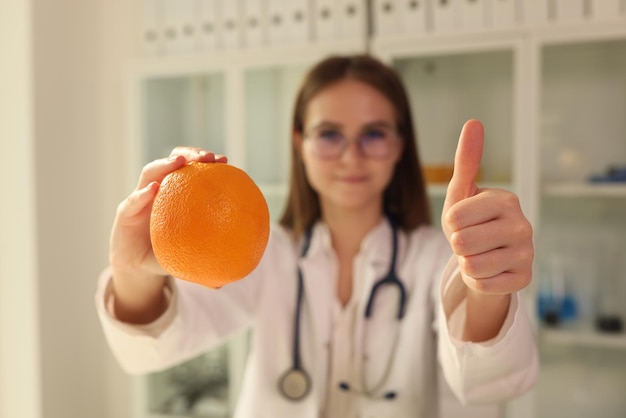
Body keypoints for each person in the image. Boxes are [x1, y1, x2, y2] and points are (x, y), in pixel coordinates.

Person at [96, 54, 537, 418]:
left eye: (374, 134)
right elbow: (149, 352)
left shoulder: (435, 257)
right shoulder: (263, 252)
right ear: (299, 143)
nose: (351, 156)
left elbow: (490, 381)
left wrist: (483, 286)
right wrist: (133, 271)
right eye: (329, 135)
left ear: (400, 146)